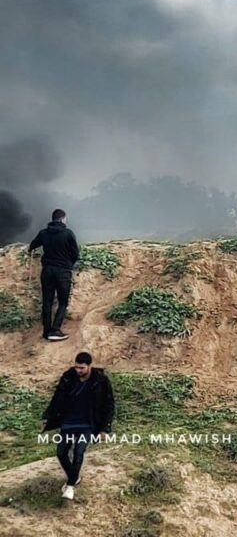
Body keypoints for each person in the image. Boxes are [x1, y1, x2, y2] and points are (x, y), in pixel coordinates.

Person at [41, 352, 115, 501]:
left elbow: (108, 404)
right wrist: (47, 416)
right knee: (61, 452)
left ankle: (70, 486)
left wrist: (104, 428)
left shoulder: (100, 380)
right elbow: (57, 398)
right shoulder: (68, 377)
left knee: (78, 451)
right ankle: (75, 477)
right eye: (76, 367)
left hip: (88, 423)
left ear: (89, 366)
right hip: (68, 422)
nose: (78, 370)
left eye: (82, 368)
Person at [27, 208, 80, 341]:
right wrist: (69, 264)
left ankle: (46, 332)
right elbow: (75, 253)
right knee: (63, 302)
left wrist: (31, 249)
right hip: (63, 272)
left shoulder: (44, 233)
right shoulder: (68, 233)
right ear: (62, 219)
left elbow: (33, 245)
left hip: (47, 271)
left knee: (47, 302)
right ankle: (55, 330)